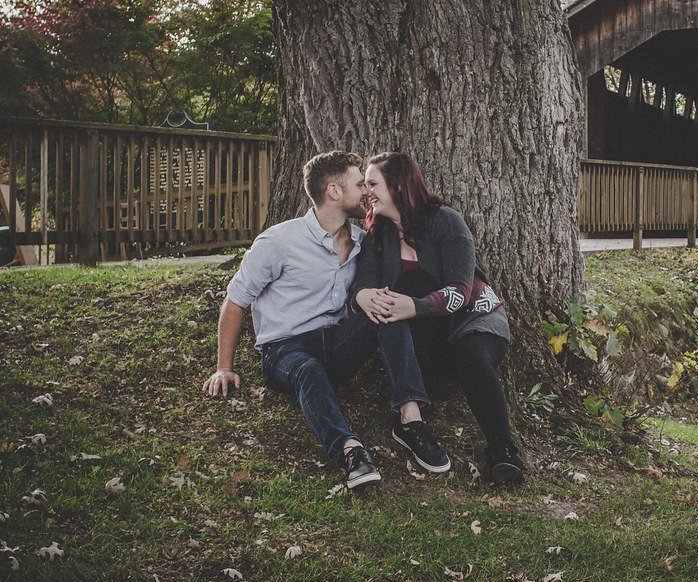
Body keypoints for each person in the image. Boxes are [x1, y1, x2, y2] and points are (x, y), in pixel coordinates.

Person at [201, 151, 449, 489]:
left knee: (385, 308)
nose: (367, 191)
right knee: (308, 371)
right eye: (360, 183)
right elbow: (235, 302)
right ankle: (350, 451)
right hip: (285, 351)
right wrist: (223, 366)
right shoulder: (279, 242)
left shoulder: (363, 242)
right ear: (333, 191)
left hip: (335, 342)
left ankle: (410, 419)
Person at [352, 151, 525, 484]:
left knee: (472, 357)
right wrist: (362, 296)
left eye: (372, 183)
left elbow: (460, 291)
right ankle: (410, 414)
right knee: (407, 285)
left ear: (398, 185)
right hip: (428, 340)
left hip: (474, 320)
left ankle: (503, 452)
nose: (366, 191)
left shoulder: (446, 221)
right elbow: (365, 283)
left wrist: (413, 306)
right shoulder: (380, 235)